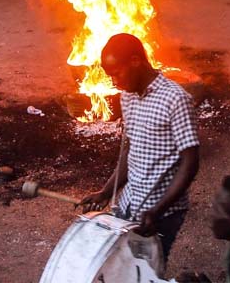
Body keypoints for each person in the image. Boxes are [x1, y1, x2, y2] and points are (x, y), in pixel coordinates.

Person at [79, 34, 200, 263]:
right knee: (119, 266)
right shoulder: (127, 96)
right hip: (129, 203)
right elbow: (131, 150)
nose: (114, 82)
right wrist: (106, 192)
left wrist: (158, 210)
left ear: (136, 61)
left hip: (162, 212)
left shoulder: (176, 99)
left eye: (116, 73)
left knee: (145, 271)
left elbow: (190, 162)